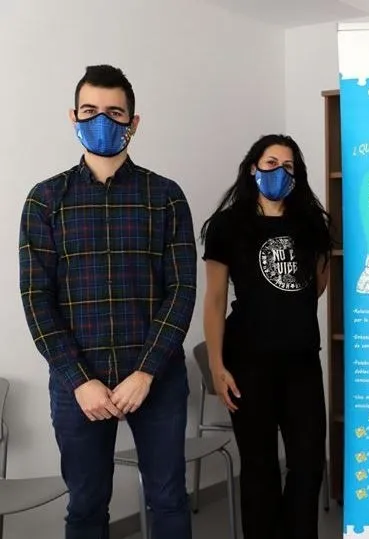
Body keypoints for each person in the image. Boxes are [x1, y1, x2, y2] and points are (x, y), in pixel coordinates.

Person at [18, 65, 197, 538]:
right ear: (73, 117)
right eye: (91, 111)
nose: (103, 121)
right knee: (86, 507)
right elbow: (37, 299)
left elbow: (181, 291)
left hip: (154, 378)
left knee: (169, 500)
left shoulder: (166, 197)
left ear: (134, 122)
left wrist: (146, 372)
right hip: (79, 385)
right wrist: (80, 381)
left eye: (115, 113)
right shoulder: (45, 200)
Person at [200, 134, 334, 539]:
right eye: (271, 162)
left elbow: (317, 285)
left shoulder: (311, 223)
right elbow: (215, 300)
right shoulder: (228, 225)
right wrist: (217, 365)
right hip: (248, 362)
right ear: (253, 168)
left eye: (289, 166)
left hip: (301, 361)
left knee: (309, 463)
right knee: (258, 467)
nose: (279, 171)